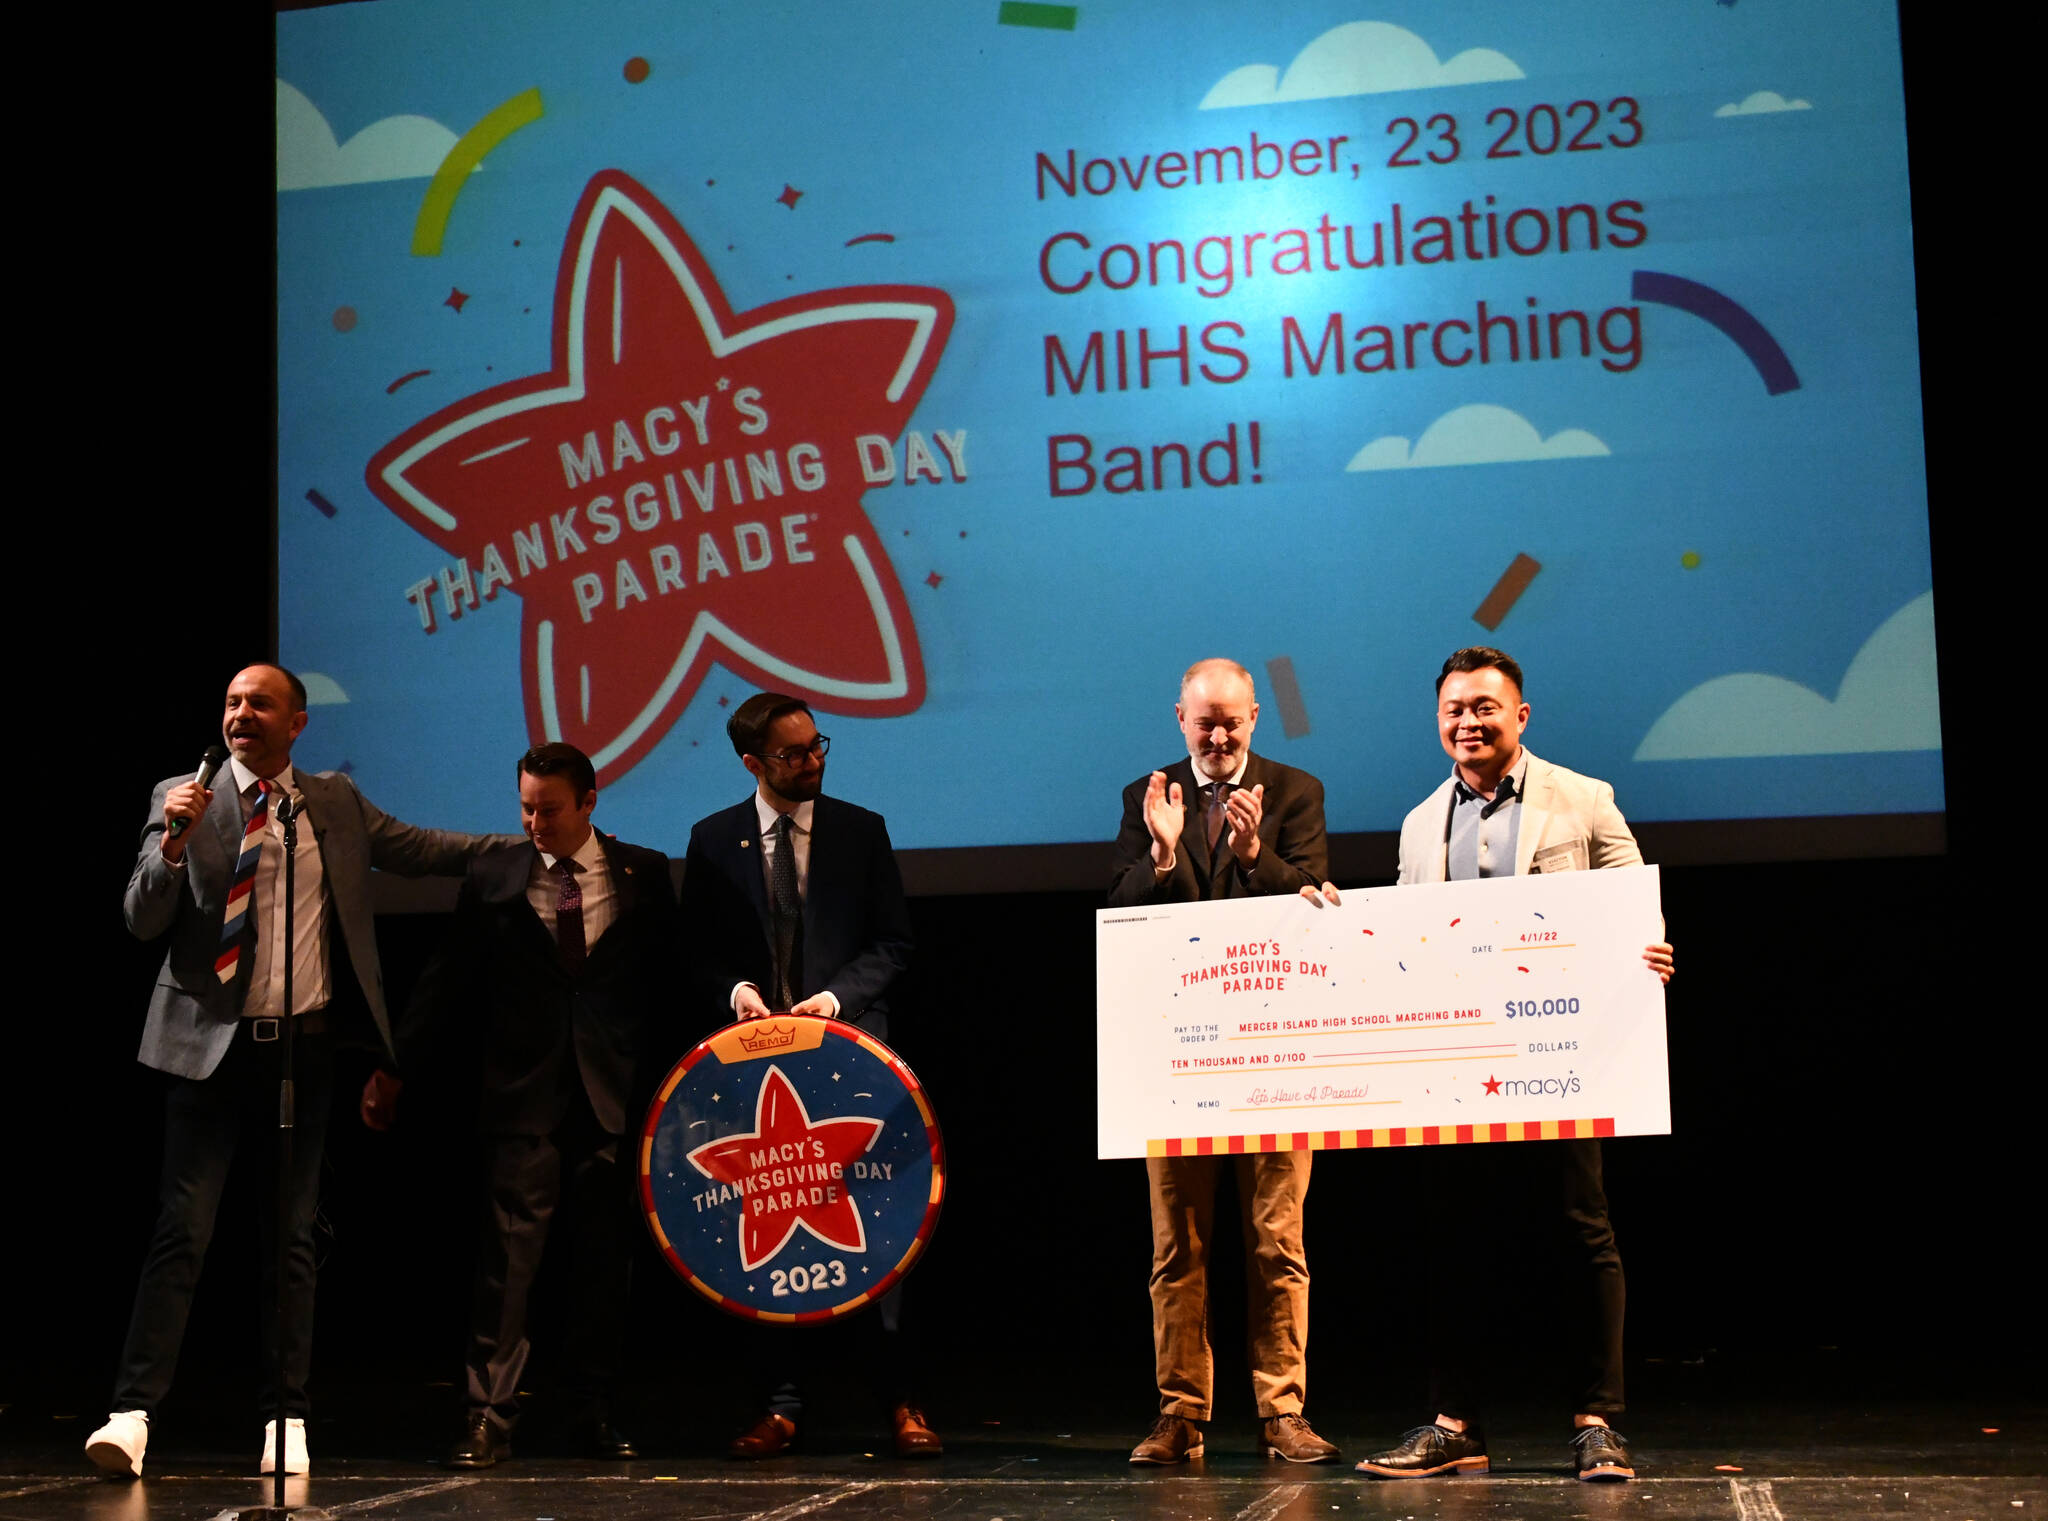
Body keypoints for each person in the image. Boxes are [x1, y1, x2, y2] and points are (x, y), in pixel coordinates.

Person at [88, 663, 512, 1479]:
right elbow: (141, 918)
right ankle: (131, 1414)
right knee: (183, 1232)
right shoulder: (183, 794)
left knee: (291, 1241)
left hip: (301, 1052)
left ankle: (286, 1415)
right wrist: (172, 843)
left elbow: (422, 849)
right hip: (206, 1050)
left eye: (260, 704)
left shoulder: (331, 802)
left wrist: (524, 844)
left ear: (297, 724)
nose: (241, 714)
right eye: (233, 703)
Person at [1339, 646, 1675, 1484]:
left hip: (1564, 1055)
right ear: (1439, 720)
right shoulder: (1420, 824)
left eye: (1485, 707)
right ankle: (1456, 1423)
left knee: (1579, 1229)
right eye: (1454, 708)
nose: (1469, 721)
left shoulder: (1584, 799)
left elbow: (1634, 909)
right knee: (1454, 1241)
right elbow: (1408, 947)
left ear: (1520, 716)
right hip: (1456, 1064)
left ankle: (1599, 1420)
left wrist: (1652, 952)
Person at [362, 743, 679, 1468]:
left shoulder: (643, 873)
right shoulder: (495, 874)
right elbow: (446, 979)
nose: (536, 821)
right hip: (522, 1094)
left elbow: (667, 978)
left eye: (551, 807)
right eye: (527, 806)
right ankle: (486, 1417)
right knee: (507, 1264)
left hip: (612, 1093)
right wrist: (395, 1066)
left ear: (590, 803)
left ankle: (592, 1411)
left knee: (603, 1263)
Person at [679, 692, 932, 1459]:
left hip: (853, 1065)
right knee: (767, 1238)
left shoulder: (861, 830)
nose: (814, 760)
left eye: (818, 745)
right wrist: (737, 994)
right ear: (753, 763)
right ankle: (780, 1405)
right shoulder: (714, 839)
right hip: (755, 1077)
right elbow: (694, 953)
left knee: (881, 1236)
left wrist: (833, 999)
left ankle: (901, 1400)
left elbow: (894, 943)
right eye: (794, 754)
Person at [1108, 658, 1341, 1466]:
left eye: (1232, 720)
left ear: (1254, 719)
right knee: (1179, 1247)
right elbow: (1116, 912)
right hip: (1174, 1062)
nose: (1217, 735)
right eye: (1204, 720)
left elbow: (1316, 901)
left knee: (1278, 1240)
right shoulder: (1151, 795)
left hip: (1275, 1053)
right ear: (1180, 716)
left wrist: (1251, 856)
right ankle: (1181, 1414)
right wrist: (1167, 858)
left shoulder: (1295, 790)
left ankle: (1282, 1412)